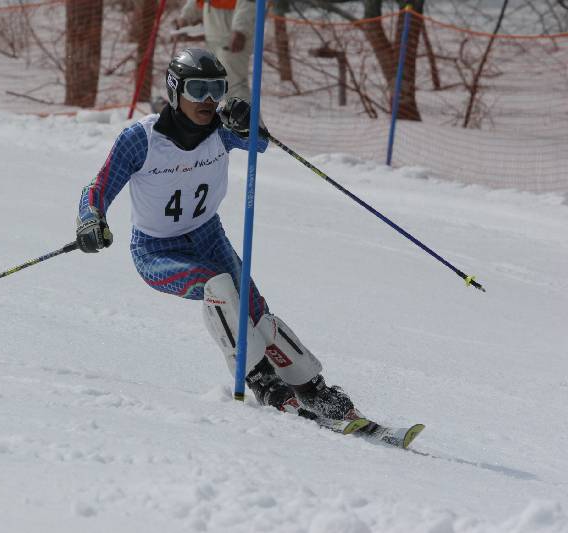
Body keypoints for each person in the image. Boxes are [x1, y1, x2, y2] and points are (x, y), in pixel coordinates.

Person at [75, 48, 358, 422]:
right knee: (218, 286)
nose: (208, 99)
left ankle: (312, 388)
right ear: (175, 90)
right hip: (157, 250)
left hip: (208, 235)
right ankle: (262, 380)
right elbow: (98, 187)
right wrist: (90, 219)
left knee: (254, 310)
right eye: (198, 89)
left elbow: (259, 142)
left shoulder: (220, 130)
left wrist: (248, 120)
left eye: (217, 88)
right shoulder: (141, 139)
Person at [175, 0, 254, 102]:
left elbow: (250, 3)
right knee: (216, 85)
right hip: (214, 34)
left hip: (232, 35)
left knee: (234, 84)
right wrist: (185, 17)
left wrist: (241, 30)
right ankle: (234, 111)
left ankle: (243, 112)